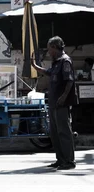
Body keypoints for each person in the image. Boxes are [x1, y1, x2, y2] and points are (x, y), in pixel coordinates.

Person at [31, 36, 77, 170]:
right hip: (53, 103)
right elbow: (49, 73)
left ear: (56, 48)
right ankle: (60, 159)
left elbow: (69, 81)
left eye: (50, 49)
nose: (49, 52)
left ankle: (69, 161)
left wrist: (63, 97)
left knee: (64, 132)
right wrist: (35, 66)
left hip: (61, 103)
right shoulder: (56, 62)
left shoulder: (65, 61)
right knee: (55, 133)